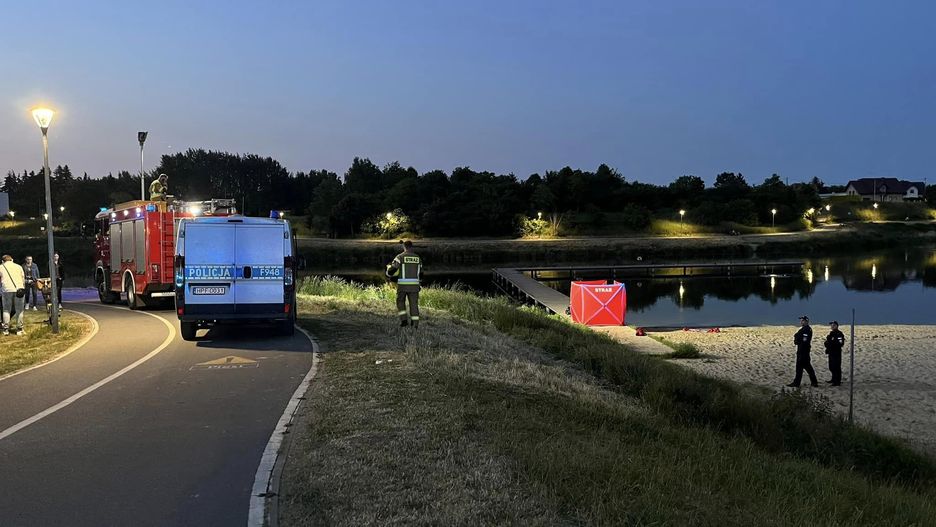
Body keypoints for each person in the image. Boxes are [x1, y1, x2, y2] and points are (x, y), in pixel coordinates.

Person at [385, 240, 423, 328]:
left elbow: (393, 269)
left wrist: (388, 274)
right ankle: (415, 324)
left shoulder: (400, 257)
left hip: (403, 286)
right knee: (414, 304)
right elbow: (421, 274)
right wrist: (419, 283)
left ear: (404, 247)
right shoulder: (418, 258)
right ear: (411, 247)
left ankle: (404, 321)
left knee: (400, 301)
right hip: (414, 286)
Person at [787, 315, 818, 387]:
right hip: (801, 350)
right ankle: (810, 382)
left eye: (802, 320)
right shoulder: (803, 329)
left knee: (805, 367)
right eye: (801, 320)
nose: (801, 322)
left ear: (806, 321)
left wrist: (797, 339)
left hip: (804, 351)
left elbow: (803, 341)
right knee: (802, 368)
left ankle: (812, 382)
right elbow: (798, 338)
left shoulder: (807, 329)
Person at [1, 254, 27, 336]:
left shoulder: (1, 267)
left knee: (6, 310)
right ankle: (19, 329)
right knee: (19, 310)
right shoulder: (19, 267)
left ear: (3, 261)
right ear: (12, 260)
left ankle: (6, 330)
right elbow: (23, 279)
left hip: (6, 290)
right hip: (19, 290)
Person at [824, 321, 846, 386]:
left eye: (833, 325)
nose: (832, 326)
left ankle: (837, 381)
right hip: (831, 352)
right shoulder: (831, 333)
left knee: (836, 367)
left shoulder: (839, 334)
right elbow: (827, 342)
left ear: (836, 326)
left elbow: (840, 343)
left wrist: (831, 343)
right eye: (831, 325)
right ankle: (833, 379)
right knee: (831, 367)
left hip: (836, 353)